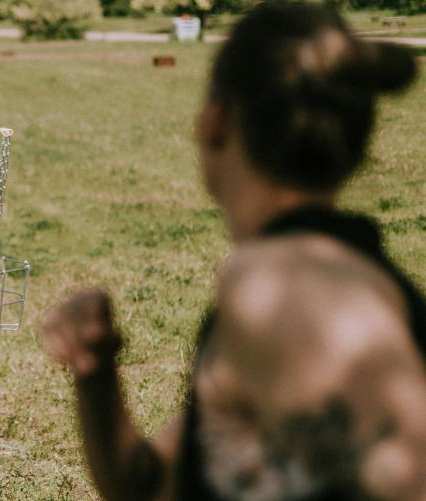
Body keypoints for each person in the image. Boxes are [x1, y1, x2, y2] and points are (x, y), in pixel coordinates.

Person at [41, 2, 426, 500]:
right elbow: (148, 486)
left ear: (215, 121)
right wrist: (95, 372)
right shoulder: (298, 278)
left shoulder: (291, 286)